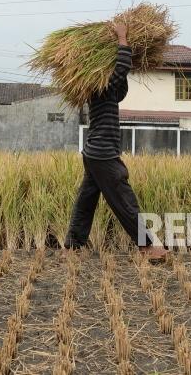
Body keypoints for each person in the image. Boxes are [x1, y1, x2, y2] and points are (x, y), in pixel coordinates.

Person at [64, 21, 167, 262]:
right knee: (124, 200)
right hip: (103, 153)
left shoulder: (102, 89)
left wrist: (124, 66)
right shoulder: (100, 85)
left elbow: (120, 88)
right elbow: (121, 67)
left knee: (86, 200)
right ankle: (147, 247)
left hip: (94, 152)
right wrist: (122, 37)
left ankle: (72, 247)